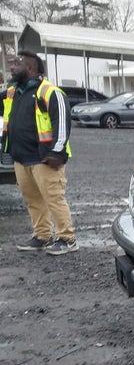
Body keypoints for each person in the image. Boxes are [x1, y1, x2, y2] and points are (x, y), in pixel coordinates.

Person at [1, 50, 77, 255]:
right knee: (32, 199)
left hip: (45, 158)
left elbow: (62, 124)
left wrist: (56, 151)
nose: (12, 67)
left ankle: (67, 238)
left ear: (31, 68)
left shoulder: (50, 92)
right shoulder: (13, 91)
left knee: (54, 198)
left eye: (17, 64)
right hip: (21, 158)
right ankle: (42, 236)